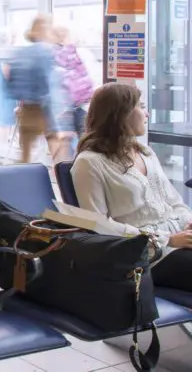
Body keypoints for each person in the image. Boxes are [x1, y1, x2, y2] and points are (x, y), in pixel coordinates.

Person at [71, 83, 192, 292]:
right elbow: (98, 225)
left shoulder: (146, 154)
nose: (147, 113)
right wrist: (167, 239)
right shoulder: (89, 163)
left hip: (179, 241)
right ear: (120, 114)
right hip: (147, 257)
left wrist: (187, 223)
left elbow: (175, 202)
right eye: (141, 106)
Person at [5, 15, 62, 164]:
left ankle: (23, 181)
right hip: (42, 109)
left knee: (25, 155)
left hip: (25, 108)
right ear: (45, 30)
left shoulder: (22, 53)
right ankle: (60, 180)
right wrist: (54, 119)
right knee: (57, 150)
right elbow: (46, 86)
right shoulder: (45, 52)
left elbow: (11, 81)